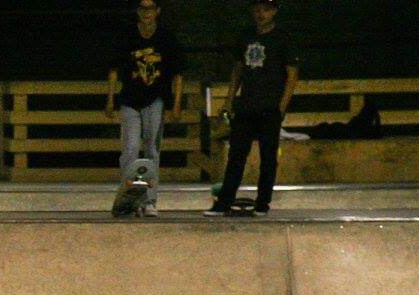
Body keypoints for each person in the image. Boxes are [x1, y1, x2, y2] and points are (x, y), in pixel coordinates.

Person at [204, 0, 299, 216]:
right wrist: (229, 100)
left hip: (270, 106)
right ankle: (224, 201)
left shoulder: (283, 38)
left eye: (266, 10)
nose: (261, 14)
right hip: (246, 105)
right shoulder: (246, 36)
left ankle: (263, 203)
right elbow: (238, 70)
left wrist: (281, 107)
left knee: (268, 158)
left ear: (274, 11)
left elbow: (292, 75)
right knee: (236, 155)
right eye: (258, 10)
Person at [105, 0, 185, 217]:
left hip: (155, 99)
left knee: (151, 150)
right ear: (138, 11)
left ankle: (149, 199)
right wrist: (110, 98)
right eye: (143, 9)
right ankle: (128, 196)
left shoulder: (166, 38)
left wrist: (176, 104)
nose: (146, 13)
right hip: (130, 99)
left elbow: (178, 74)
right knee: (130, 149)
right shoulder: (127, 36)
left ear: (157, 11)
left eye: (150, 9)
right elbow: (114, 69)